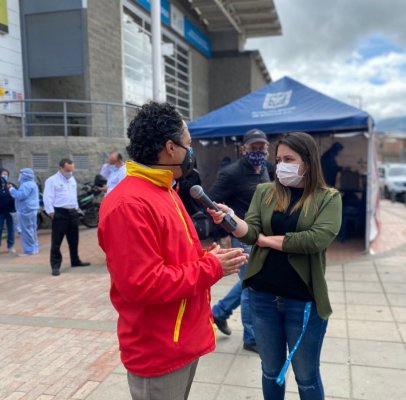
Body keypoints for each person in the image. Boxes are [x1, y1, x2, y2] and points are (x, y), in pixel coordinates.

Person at [97, 101, 248, 400]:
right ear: (170, 147)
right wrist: (212, 268)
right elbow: (143, 284)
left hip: (180, 339)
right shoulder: (129, 204)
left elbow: (175, 258)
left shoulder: (165, 189)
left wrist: (207, 257)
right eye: (188, 145)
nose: (191, 153)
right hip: (158, 349)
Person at [208, 132, 342, 400]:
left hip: (303, 302)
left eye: (289, 159)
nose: (281, 165)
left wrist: (264, 240)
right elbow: (249, 231)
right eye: (279, 159)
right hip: (262, 298)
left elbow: (315, 240)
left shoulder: (328, 198)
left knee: (306, 376)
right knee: (270, 371)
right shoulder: (265, 191)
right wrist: (232, 219)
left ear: (308, 161)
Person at [209, 128, 271, 353]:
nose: (257, 151)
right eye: (253, 147)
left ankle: (218, 313)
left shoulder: (265, 170)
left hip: (261, 237)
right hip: (242, 237)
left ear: (267, 149)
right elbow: (213, 203)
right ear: (243, 149)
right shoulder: (231, 173)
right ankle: (251, 337)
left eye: (261, 147)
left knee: (247, 282)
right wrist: (224, 233)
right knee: (251, 287)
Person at [43, 158, 91, 276]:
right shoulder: (52, 180)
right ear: (60, 169)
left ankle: (75, 260)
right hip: (60, 213)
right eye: (67, 170)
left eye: (71, 170)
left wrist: (76, 208)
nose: (70, 173)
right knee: (56, 241)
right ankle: (55, 265)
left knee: (74, 239)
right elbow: (47, 197)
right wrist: (51, 212)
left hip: (72, 212)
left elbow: (72, 196)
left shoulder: (72, 179)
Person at [8, 168, 40, 256]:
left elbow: (20, 195)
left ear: (24, 175)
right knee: (32, 229)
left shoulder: (26, 185)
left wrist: (11, 189)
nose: (20, 176)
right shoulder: (33, 183)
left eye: (21, 174)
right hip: (32, 209)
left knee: (26, 230)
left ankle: (29, 250)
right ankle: (34, 248)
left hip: (26, 210)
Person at [0, 168, 16, 254]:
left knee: (11, 229)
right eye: (3, 174)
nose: (5, 176)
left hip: (10, 211)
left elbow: (16, 195)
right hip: (0, 212)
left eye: (6, 174)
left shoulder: (10, 185)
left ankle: (10, 246)